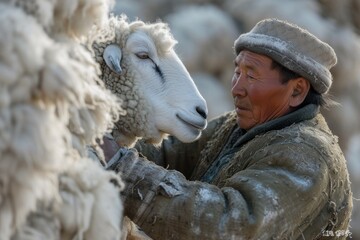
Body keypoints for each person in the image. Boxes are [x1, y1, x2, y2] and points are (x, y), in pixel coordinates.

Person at [106, 18, 353, 239]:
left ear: (297, 91)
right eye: (237, 72)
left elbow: (233, 225)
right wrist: (102, 137)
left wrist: (123, 169)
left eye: (251, 76)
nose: (236, 88)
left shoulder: (307, 158)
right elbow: (169, 154)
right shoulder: (237, 126)